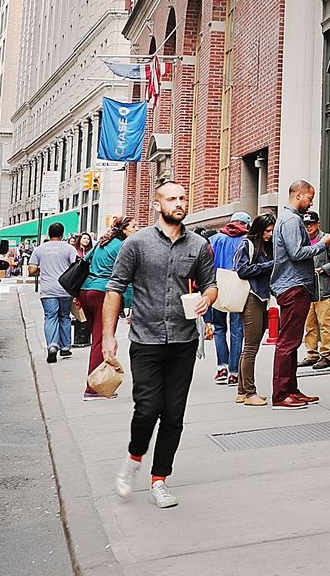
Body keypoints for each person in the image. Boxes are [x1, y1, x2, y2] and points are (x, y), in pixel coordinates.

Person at [99, 181, 217, 509]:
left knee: (174, 415)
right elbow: (115, 288)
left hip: (183, 341)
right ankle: (133, 459)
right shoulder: (136, 244)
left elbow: (210, 284)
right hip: (146, 340)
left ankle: (159, 479)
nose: (179, 203)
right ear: (157, 204)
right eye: (171, 198)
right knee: (148, 408)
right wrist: (109, 336)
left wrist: (206, 299)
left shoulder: (199, 245)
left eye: (182, 197)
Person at [270, 180, 329, 408]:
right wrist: (321, 244)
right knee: (287, 343)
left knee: (292, 342)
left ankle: (291, 390)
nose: (311, 202)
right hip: (294, 286)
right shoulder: (292, 220)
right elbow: (296, 253)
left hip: (292, 285)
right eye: (309, 198)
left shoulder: (286, 219)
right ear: (299, 195)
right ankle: (281, 394)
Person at [77, 216, 130, 400]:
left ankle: (97, 383)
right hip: (103, 294)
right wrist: (130, 304)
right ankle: (94, 388)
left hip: (86, 290)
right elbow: (126, 276)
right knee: (101, 340)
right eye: (134, 226)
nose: (137, 229)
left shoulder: (102, 242)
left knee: (96, 338)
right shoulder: (122, 246)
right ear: (124, 230)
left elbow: (86, 259)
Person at [230, 212, 276, 406]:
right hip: (251, 297)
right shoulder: (247, 245)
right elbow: (242, 270)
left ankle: (242, 391)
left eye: (272, 231)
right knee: (250, 347)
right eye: (267, 231)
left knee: (250, 347)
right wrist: (269, 265)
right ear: (258, 230)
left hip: (261, 297)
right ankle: (249, 392)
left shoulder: (267, 246)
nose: (270, 235)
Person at [206, 212, 251, 386]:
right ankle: (234, 372)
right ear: (246, 224)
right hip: (239, 288)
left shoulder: (215, 240)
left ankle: (221, 367)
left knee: (218, 328)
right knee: (237, 331)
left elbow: (206, 264)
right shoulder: (247, 240)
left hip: (217, 287)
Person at [28, 222, 80, 365]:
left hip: (48, 290)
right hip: (65, 289)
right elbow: (76, 267)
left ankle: (52, 345)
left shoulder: (39, 249)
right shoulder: (69, 248)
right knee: (64, 316)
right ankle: (65, 346)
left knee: (50, 317)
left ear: (48, 233)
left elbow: (31, 271)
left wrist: (43, 269)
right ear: (62, 234)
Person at [302, 209, 330, 369]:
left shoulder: (326, 239)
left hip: (324, 289)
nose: (309, 227)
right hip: (307, 289)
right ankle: (311, 354)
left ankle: (326, 356)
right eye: (306, 224)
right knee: (309, 324)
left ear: (317, 224)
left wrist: (323, 268)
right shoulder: (302, 240)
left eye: (311, 224)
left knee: (325, 325)